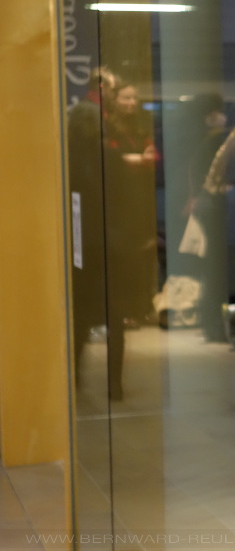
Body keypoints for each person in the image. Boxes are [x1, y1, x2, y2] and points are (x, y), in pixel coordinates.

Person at [102, 79, 160, 398]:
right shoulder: (107, 127)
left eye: (134, 98)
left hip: (136, 210)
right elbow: (107, 162)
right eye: (126, 97)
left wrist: (144, 158)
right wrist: (132, 161)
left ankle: (135, 308)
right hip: (115, 214)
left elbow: (152, 157)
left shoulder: (139, 126)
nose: (130, 103)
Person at [69, 67, 117, 390]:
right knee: (87, 301)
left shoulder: (86, 116)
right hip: (91, 226)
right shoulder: (90, 116)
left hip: (87, 225)